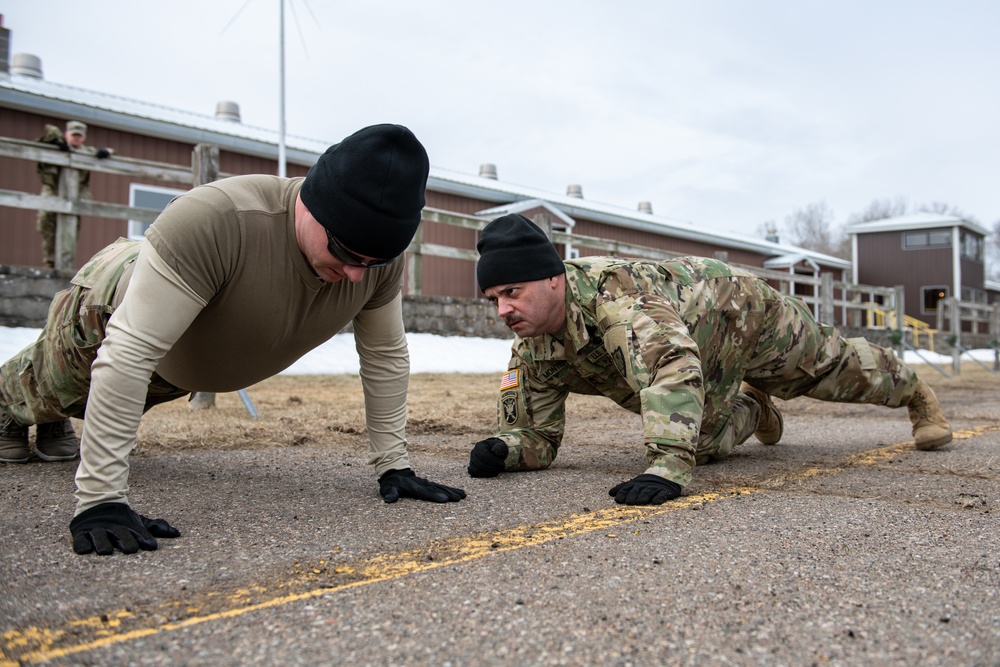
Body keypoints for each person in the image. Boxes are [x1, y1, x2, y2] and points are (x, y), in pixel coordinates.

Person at [0, 123, 466, 556]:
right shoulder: (215, 220)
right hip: (104, 310)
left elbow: (385, 356)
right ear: (312, 203)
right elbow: (128, 353)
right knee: (40, 386)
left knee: (79, 401)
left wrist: (394, 463)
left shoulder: (374, 265)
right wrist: (100, 499)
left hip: (184, 357)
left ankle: (55, 419)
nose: (353, 274)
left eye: (373, 261)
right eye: (344, 252)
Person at [466, 213, 952, 505]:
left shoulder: (618, 299)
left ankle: (918, 396)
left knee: (829, 371)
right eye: (494, 299)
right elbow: (538, 436)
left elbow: (669, 367)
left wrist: (666, 467)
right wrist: (507, 450)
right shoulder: (532, 344)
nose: (504, 309)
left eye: (512, 292)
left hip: (740, 311)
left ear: (553, 278)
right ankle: (754, 408)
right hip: (698, 341)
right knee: (699, 440)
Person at [36, 120, 114, 268]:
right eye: (73, 135)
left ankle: (63, 263)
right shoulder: (56, 146)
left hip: (75, 196)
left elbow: (110, 151)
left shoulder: (87, 152)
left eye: (79, 136)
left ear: (83, 137)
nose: (76, 138)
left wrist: (106, 152)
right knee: (47, 226)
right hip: (53, 192)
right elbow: (40, 145)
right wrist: (56, 147)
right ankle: (50, 263)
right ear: (67, 134)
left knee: (71, 229)